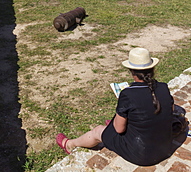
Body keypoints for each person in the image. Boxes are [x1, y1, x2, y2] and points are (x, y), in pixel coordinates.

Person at [56, 47, 188, 166]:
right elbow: (170, 111)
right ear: (152, 69)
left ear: (132, 72)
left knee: (98, 131)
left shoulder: (128, 94)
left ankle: (69, 144)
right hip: (164, 148)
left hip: (142, 154)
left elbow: (119, 129)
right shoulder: (163, 87)